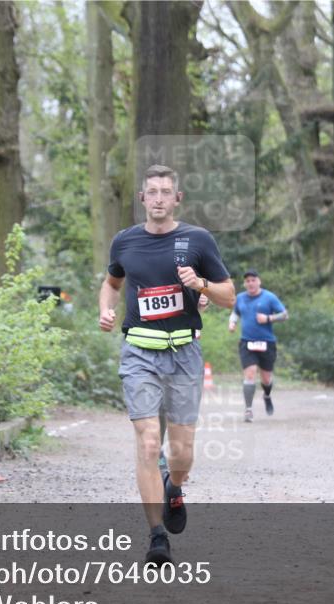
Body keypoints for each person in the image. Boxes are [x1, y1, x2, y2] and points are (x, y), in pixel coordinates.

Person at [99, 164, 234, 565]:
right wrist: (106, 309)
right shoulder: (124, 241)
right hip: (139, 353)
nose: (158, 199)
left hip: (184, 354)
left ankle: (174, 487)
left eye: (166, 192)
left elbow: (228, 295)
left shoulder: (198, 240)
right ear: (142, 198)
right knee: (147, 441)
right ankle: (157, 536)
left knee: (181, 453)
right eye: (152, 192)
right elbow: (112, 283)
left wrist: (201, 284)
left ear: (177, 199)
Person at [228, 269, 288, 422]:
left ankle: (267, 395)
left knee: (266, 378)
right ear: (244, 284)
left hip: (267, 342)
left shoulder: (269, 297)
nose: (250, 283)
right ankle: (248, 410)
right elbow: (235, 312)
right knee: (250, 374)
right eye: (247, 281)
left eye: (253, 280)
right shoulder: (240, 298)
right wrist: (232, 322)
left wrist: (268, 318)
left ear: (259, 281)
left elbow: (284, 315)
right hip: (247, 342)